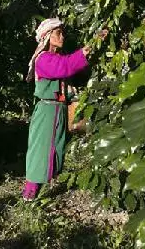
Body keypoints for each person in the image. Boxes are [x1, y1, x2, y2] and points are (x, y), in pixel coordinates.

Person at [22, 18, 104, 201]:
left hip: (58, 109)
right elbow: (65, 68)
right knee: (40, 149)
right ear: (47, 36)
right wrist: (85, 51)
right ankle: (30, 189)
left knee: (56, 146)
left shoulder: (58, 56)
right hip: (47, 111)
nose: (62, 36)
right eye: (58, 33)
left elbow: (69, 66)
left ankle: (48, 178)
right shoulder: (43, 59)